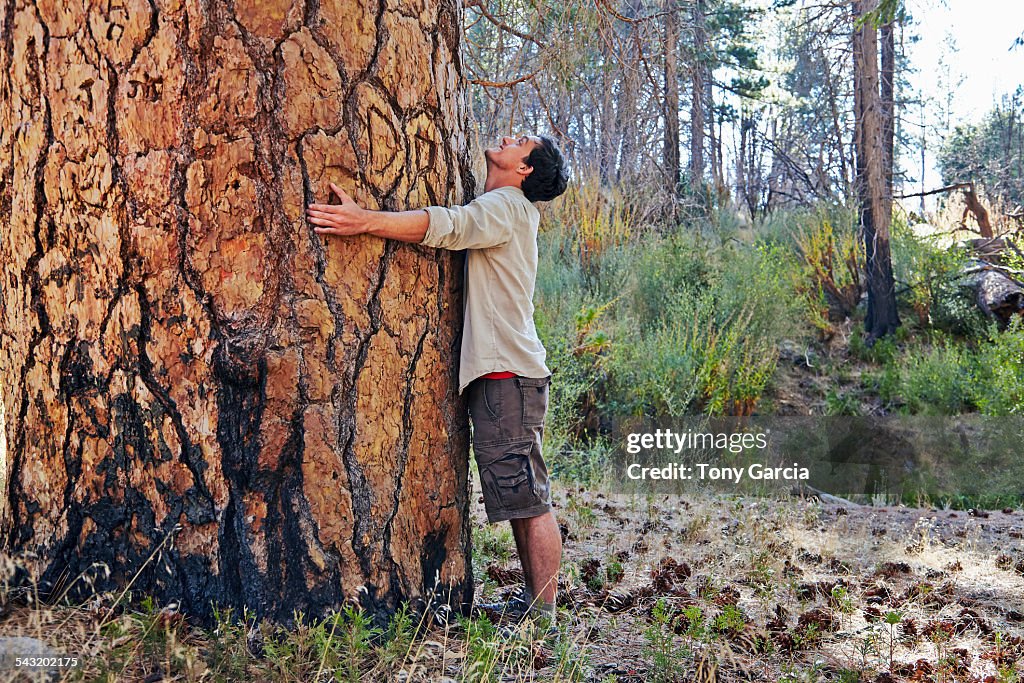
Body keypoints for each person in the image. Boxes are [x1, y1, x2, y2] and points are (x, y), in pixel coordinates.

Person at [306, 134, 569, 637]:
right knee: (521, 497)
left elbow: (448, 226)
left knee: (530, 497)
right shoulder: (508, 207)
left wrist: (366, 221)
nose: (509, 137)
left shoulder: (506, 206)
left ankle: (545, 621)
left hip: (507, 377)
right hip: (508, 376)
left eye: (521, 143)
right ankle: (539, 611)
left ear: (524, 170)